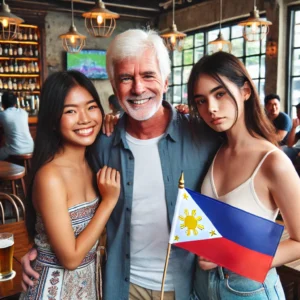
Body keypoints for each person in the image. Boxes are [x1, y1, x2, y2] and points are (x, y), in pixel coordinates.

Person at [22, 29, 220, 300]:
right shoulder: (100, 143)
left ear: (166, 81)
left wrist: (232, 249)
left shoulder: (204, 136)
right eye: (126, 78)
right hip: (119, 285)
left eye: (148, 75)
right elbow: (61, 208)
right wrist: (41, 249)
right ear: (114, 87)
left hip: (189, 286)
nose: (138, 88)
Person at [188, 52, 300, 299]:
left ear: (245, 91)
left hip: (249, 287)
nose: (212, 109)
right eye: (201, 101)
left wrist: (232, 256)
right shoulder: (214, 149)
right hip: (205, 285)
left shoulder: (272, 161)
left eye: (220, 94)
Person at [21, 70, 120, 299]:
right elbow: (71, 258)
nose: (85, 118)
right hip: (53, 292)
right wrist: (108, 202)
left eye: (91, 106)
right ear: (53, 121)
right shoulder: (50, 177)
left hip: (89, 288)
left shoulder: (92, 163)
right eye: (70, 111)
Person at [0, 92, 34, 160]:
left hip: (15, 150)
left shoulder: (2, 115)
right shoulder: (24, 113)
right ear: (15, 103)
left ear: (2, 104)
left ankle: (7, 170)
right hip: (31, 147)